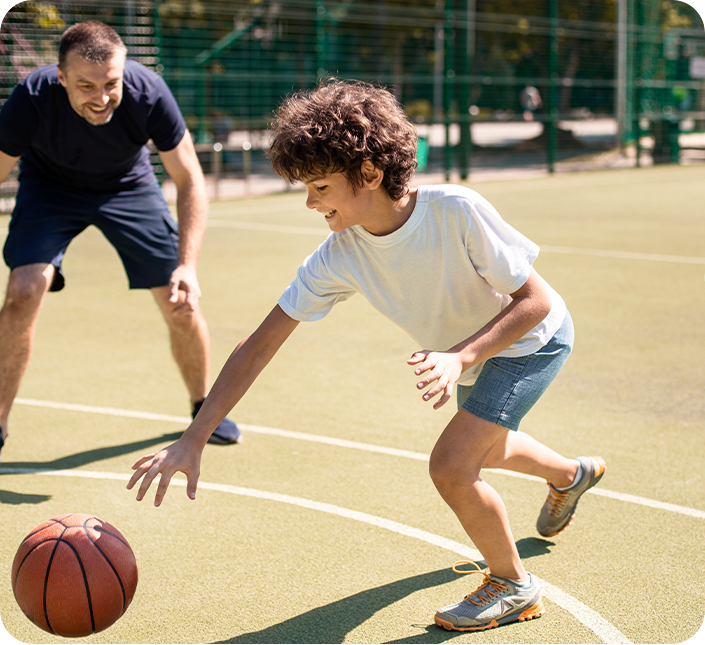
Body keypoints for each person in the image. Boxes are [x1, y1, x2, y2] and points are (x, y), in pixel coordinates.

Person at [127, 79, 606, 632]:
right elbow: (259, 344)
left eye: (321, 186)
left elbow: (536, 301)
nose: (310, 202)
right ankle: (572, 474)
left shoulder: (455, 210)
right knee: (487, 448)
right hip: (471, 353)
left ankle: (513, 584)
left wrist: (460, 357)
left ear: (371, 174)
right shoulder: (339, 256)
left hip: (529, 340)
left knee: (453, 465)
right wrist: (195, 436)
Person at [0, 21, 241, 458]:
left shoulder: (148, 93)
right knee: (23, 291)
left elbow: (190, 181)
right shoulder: (30, 99)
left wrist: (187, 265)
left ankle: (204, 406)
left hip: (128, 186)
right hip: (50, 188)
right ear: (60, 77)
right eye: (85, 86)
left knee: (179, 300)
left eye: (111, 83)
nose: (101, 96)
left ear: (124, 71)